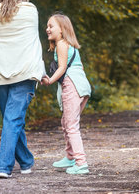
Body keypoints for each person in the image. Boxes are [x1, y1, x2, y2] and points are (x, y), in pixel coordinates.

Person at [0, 0, 46, 178]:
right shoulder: (30, 11)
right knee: (13, 119)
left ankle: (26, 161)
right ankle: (4, 167)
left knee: (12, 119)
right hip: (25, 73)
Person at [42, 13, 92, 174]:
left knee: (71, 125)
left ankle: (81, 162)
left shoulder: (62, 45)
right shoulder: (70, 46)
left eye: (51, 26)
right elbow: (80, 68)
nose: (47, 29)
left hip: (72, 85)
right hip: (81, 85)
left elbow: (62, 68)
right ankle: (70, 156)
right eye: (47, 26)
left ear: (62, 30)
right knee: (66, 122)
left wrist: (49, 80)